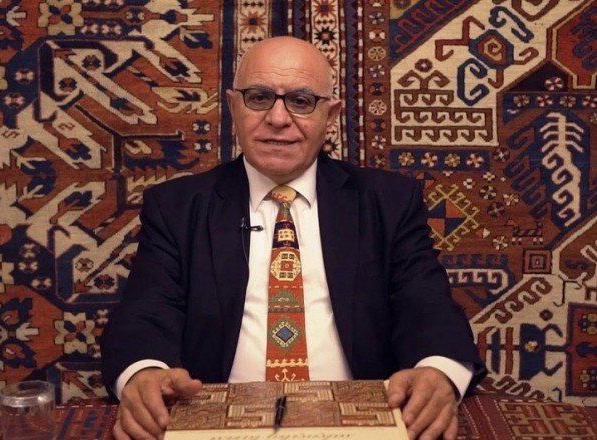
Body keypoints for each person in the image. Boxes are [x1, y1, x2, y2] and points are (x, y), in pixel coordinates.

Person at [101, 36, 485, 440]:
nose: (278, 118)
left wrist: (437, 372)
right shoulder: (176, 207)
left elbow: (426, 304)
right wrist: (144, 374)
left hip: (363, 426)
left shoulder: (388, 201)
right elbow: (145, 311)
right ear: (233, 106)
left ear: (330, 114)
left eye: (301, 101)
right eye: (259, 97)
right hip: (214, 427)